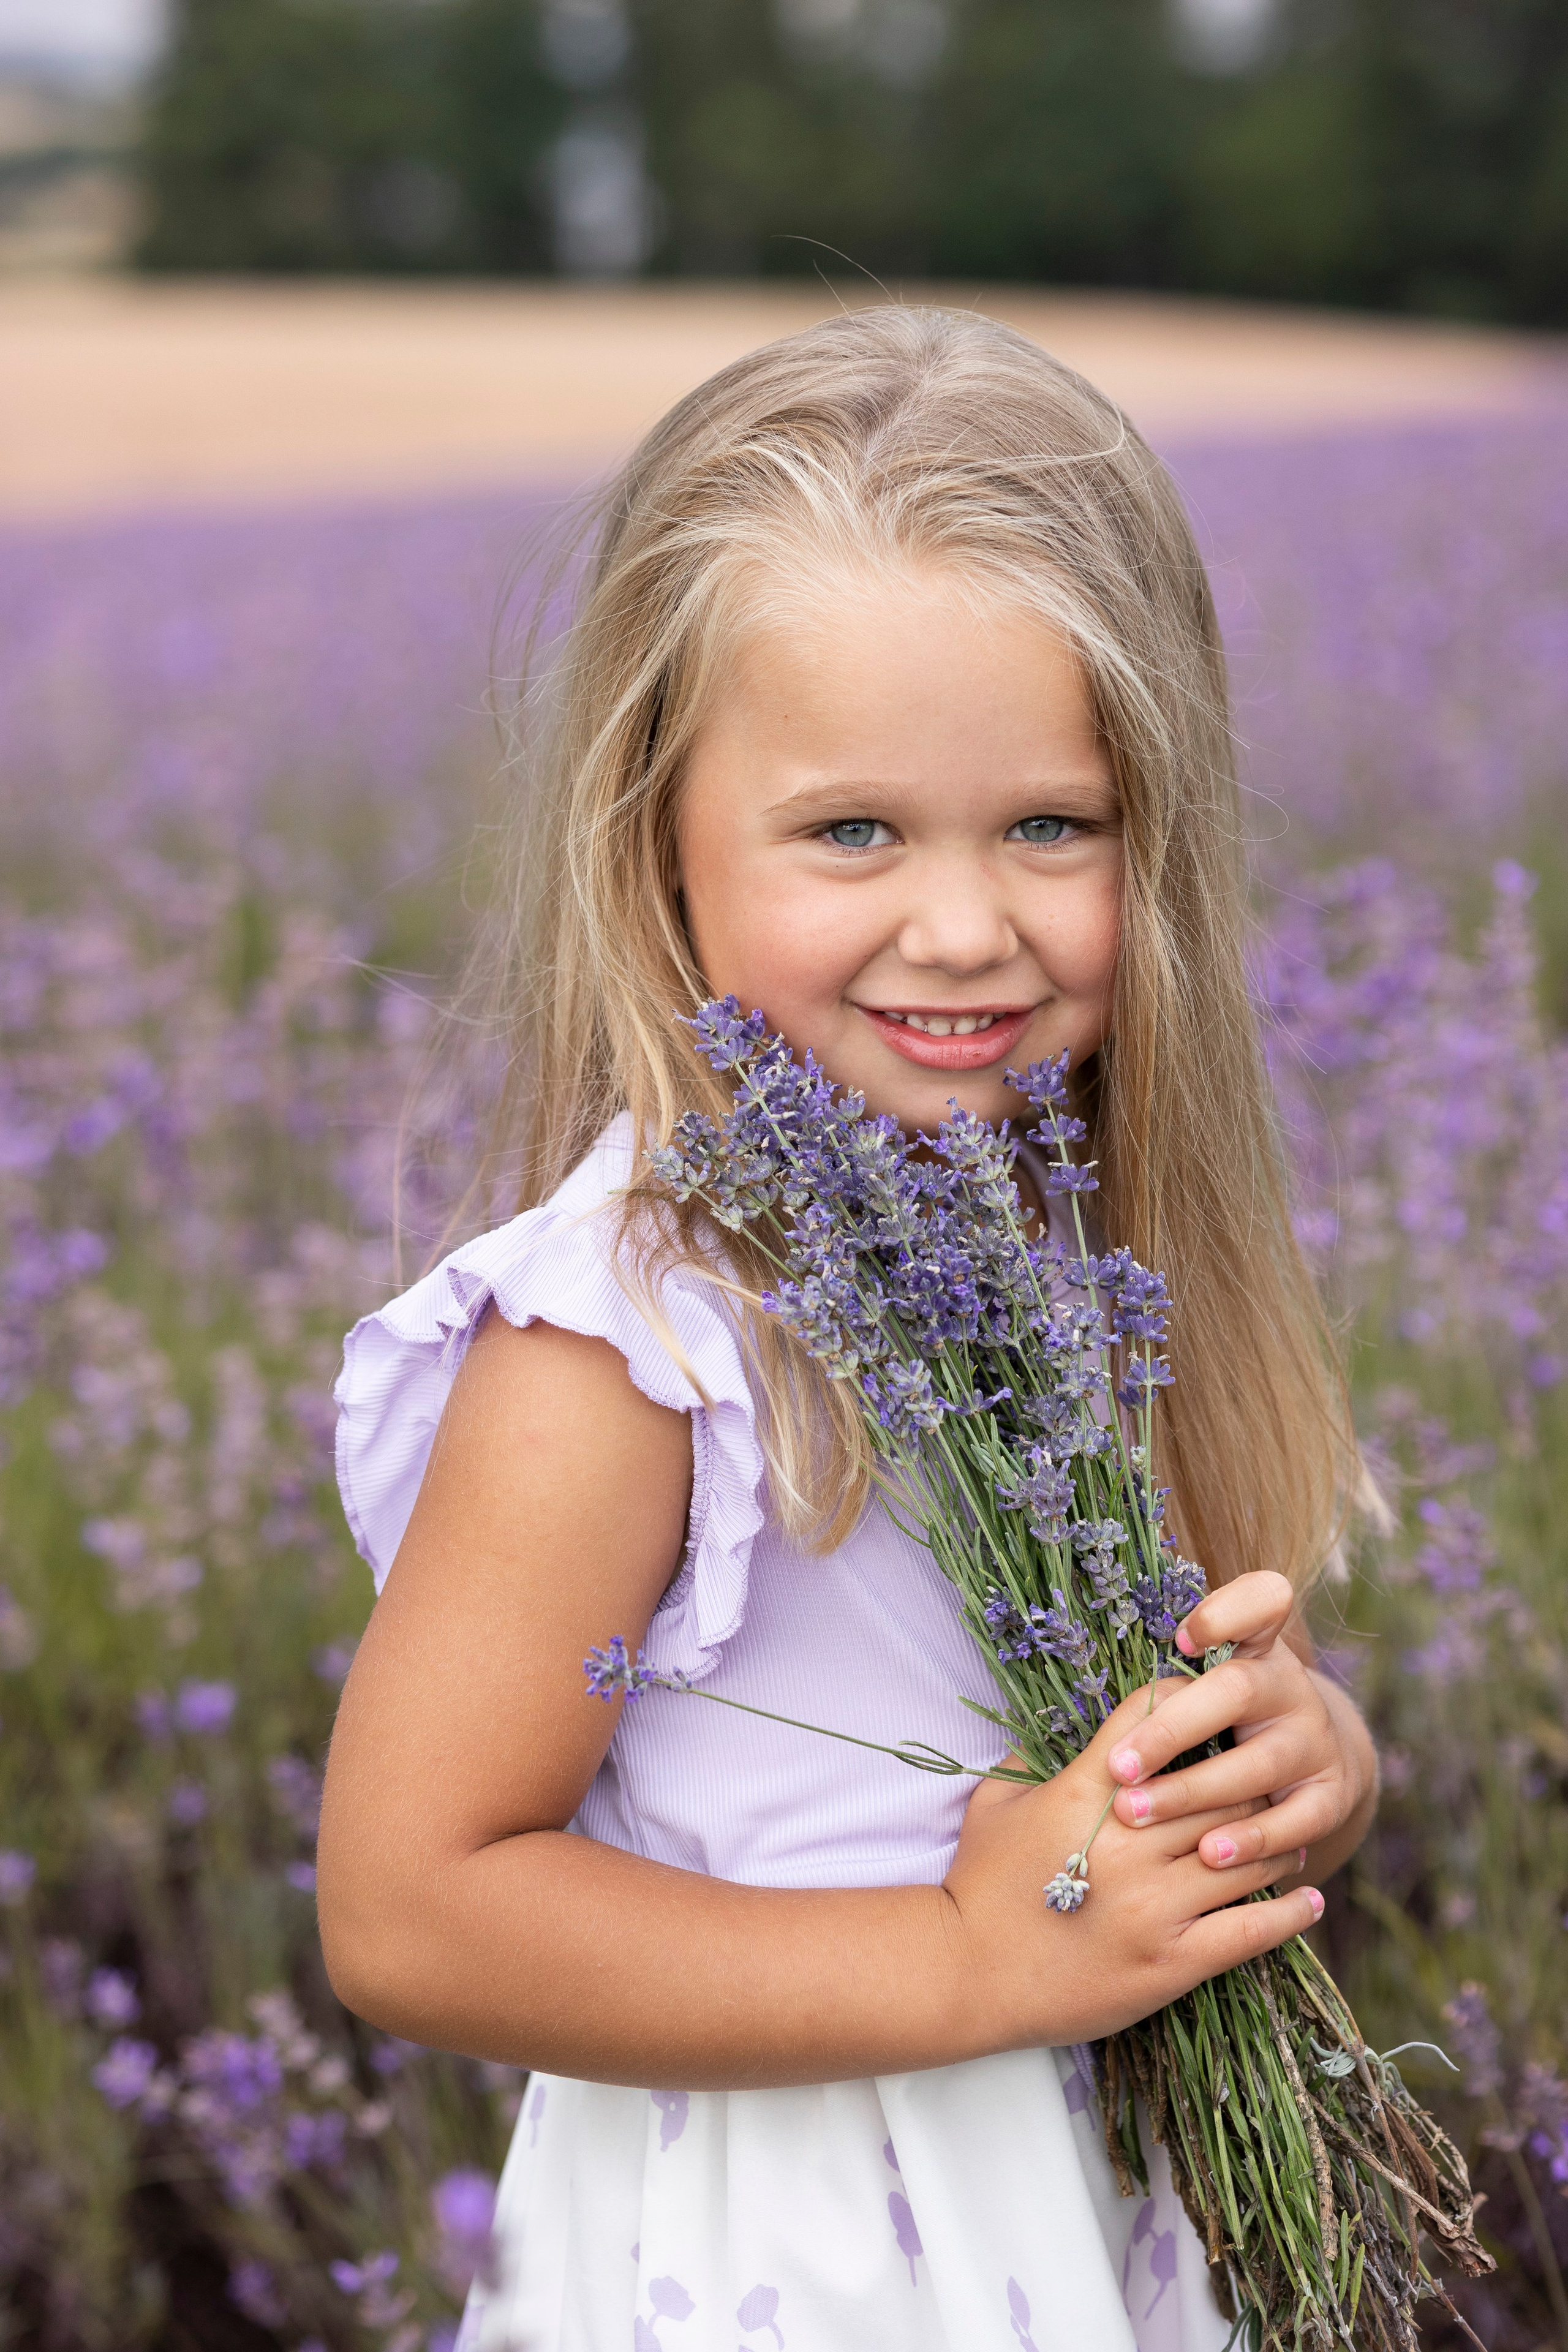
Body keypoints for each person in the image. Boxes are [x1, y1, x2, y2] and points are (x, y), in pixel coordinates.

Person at [317, 307, 1379, 2352]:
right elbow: (411, 1907)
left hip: (1076, 2195)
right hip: (783, 2252)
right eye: (855, 832)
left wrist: (1301, 1765)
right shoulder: (630, 1337)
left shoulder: (1069, 1249)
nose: (967, 925)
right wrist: (976, 1963)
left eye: (1052, 827)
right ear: (659, 846)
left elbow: (1164, 1731)